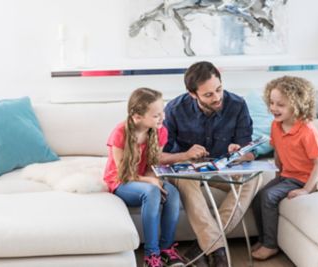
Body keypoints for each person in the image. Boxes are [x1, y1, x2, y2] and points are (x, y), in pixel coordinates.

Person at [161, 61, 262, 267]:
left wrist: (239, 153)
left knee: (254, 179)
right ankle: (219, 254)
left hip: (222, 169)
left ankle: (204, 245)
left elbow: (249, 152)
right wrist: (185, 155)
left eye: (219, 90)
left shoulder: (237, 105)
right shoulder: (174, 109)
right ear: (192, 94)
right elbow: (160, 155)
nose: (217, 98)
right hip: (187, 171)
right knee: (186, 183)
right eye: (208, 95)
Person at [103, 88, 185, 267]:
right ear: (137, 116)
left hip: (144, 179)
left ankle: (166, 249)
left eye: (162, 112)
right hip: (121, 181)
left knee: (173, 194)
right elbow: (123, 173)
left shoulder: (160, 131)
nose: (162, 117)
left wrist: (154, 178)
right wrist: (151, 181)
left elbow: (152, 166)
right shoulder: (120, 133)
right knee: (152, 192)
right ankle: (151, 255)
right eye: (156, 115)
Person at [251, 76, 318, 260]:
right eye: (271, 103)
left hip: (305, 178)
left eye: (280, 105)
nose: (274, 108)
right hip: (287, 175)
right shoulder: (276, 125)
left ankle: (270, 245)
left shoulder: (307, 131)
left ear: (297, 105)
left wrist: (306, 189)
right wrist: (278, 173)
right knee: (258, 196)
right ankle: (263, 238)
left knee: (268, 196)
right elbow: (278, 150)